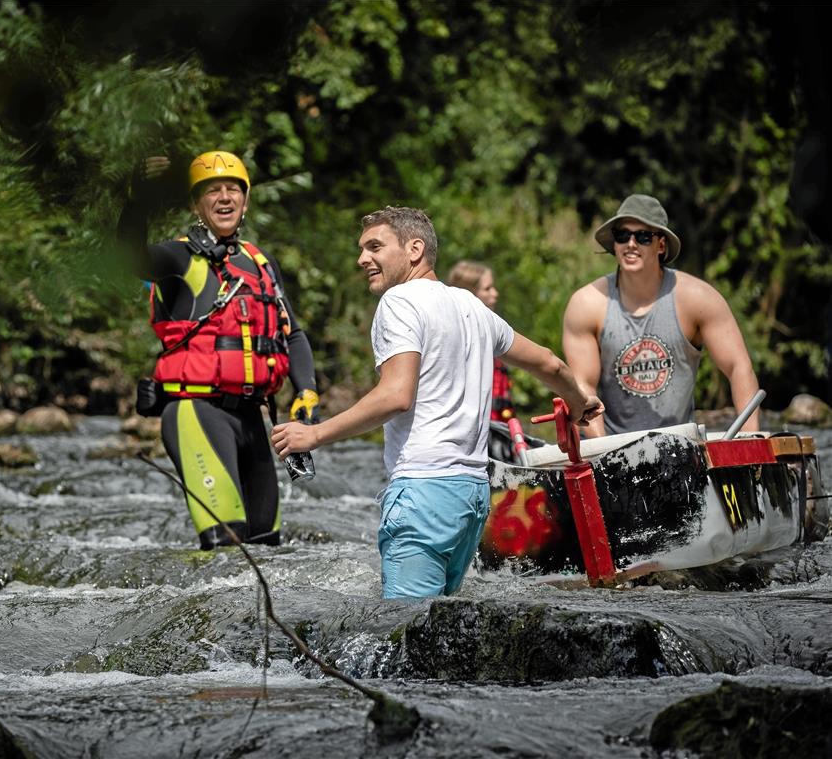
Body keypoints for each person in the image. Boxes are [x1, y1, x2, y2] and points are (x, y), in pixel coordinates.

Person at [271, 207, 602, 599]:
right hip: (474, 494)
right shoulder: (472, 306)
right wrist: (579, 401)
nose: (362, 259)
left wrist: (315, 435)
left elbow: (396, 395)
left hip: (423, 491)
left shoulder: (399, 303)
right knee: (439, 634)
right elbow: (549, 362)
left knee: (409, 635)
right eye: (361, 249)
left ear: (414, 249)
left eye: (374, 246)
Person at [118, 150, 320, 549]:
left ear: (245, 202)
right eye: (213, 190)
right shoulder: (177, 257)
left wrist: (306, 390)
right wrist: (137, 201)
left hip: (252, 419)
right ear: (197, 204)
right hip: (197, 413)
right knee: (226, 548)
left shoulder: (261, 263)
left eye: (233, 189)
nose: (225, 197)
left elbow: (292, 334)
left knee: (267, 546)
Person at [562, 194, 760, 437]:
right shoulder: (587, 304)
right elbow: (583, 390)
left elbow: (739, 366)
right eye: (623, 235)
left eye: (644, 237)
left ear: (661, 246)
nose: (631, 244)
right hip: (613, 447)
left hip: (682, 448)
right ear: (614, 244)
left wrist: (752, 442)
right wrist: (607, 458)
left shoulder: (697, 299)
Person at [446, 261, 512, 423]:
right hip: (477, 430)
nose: (495, 293)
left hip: (501, 429)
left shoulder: (493, 330)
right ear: (470, 293)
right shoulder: (457, 337)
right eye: (487, 288)